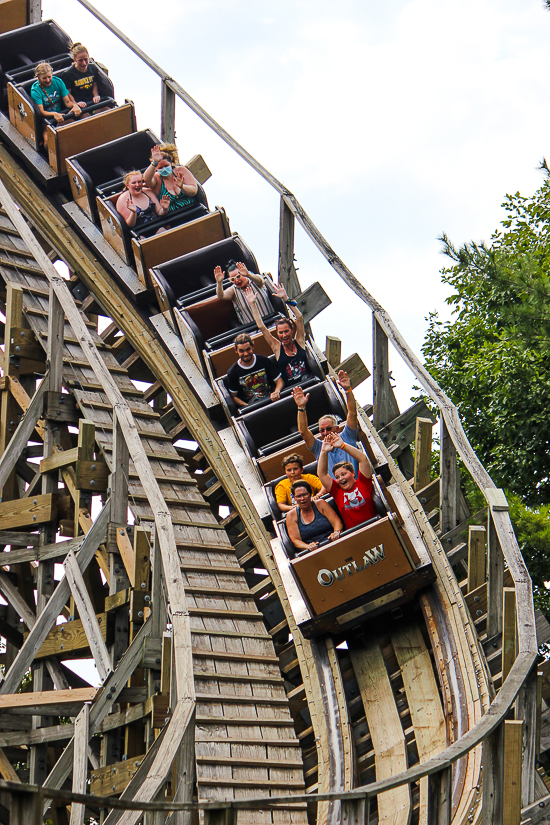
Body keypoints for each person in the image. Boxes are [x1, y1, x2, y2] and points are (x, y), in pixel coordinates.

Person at [292, 370, 361, 478]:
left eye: (329, 429)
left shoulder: (348, 436)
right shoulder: (319, 447)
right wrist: (301, 407)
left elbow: (352, 413)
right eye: (322, 430)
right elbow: (303, 431)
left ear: (337, 429)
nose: (325, 433)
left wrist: (348, 390)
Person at [245, 284, 311, 388]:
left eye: (286, 331)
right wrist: (252, 304)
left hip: (307, 383)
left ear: (291, 330)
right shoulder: (276, 347)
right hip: (290, 389)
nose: (284, 335)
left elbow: (299, 317)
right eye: (280, 332)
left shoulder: (299, 341)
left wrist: (286, 299)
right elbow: (261, 327)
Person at [318, 432, 377, 530]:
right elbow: (322, 474)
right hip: (355, 533)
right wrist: (324, 451)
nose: (341, 479)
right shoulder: (337, 492)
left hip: (375, 526)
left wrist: (343, 445)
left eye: (343, 474)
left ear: (353, 473)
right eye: (337, 477)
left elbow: (363, 459)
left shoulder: (363, 482)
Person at [30, 63, 81, 148]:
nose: (47, 80)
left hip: (61, 116)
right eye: (44, 78)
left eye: (49, 77)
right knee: (48, 141)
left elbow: (67, 102)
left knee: (73, 127)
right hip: (47, 121)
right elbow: (41, 111)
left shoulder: (58, 82)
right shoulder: (35, 90)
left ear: (52, 74)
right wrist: (54, 114)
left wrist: (74, 105)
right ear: (39, 78)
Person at [226, 333, 284, 408]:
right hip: (252, 407)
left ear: (253, 346)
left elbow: (279, 381)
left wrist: (276, 392)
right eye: (241, 351)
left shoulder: (264, 360)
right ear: (236, 350)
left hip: (271, 401)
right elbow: (234, 397)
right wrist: (248, 406)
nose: (246, 353)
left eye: (248, 349)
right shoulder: (233, 372)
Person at [286, 480, 343, 553]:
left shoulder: (320, 504)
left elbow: (337, 522)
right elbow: (295, 540)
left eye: (305, 494)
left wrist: (336, 532)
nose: (302, 498)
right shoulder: (291, 515)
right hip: (313, 552)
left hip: (333, 542)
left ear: (310, 494)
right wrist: (307, 546)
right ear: (294, 498)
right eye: (299, 496)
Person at [214, 260, 275, 325]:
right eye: (232, 279)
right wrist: (219, 282)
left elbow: (261, 281)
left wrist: (248, 274)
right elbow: (221, 296)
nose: (236, 280)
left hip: (273, 323)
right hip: (254, 330)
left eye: (238, 276)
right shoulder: (233, 290)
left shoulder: (255, 280)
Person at [143, 144, 198, 212]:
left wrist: (182, 187)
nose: (164, 169)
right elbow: (146, 179)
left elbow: (194, 191)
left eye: (166, 165)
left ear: (171, 163)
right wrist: (154, 162)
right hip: (172, 216)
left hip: (192, 209)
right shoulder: (157, 179)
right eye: (160, 168)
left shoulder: (181, 171)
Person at [62, 43, 108, 112]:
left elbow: (94, 84)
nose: (84, 63)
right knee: (86, 117)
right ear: (75, 60)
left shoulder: (92, 68)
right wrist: (75, 104)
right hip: (80, 105)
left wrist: (96, 95)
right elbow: (68, 93)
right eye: (80, 60)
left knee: (107, 110)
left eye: (85, 59)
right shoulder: (68, 74)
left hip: (92, 102)